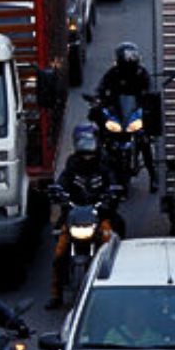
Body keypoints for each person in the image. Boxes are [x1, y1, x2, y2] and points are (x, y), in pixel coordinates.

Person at [50, 125, 122, 310]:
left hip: (99, 215)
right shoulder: (72, 164)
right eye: (84, 153)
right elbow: (62, 181)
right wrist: (59, 192)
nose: (87, 157)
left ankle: (116, 286)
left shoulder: (105, 164)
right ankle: (56, 295)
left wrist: (111, 196)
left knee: (112, 244)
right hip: (75, 215)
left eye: (90, 153)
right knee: (59, 252)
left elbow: (114, 181)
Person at [94, 42, 159, 191]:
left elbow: (151, 87)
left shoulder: (141, 74)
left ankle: (153, 175)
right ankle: (101, 173)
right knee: (102, 135)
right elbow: (101, 87)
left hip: (135, 112)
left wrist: (149, 98)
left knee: (144, 140)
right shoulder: (113, 73)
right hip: (117, 112)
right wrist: (98, 98)